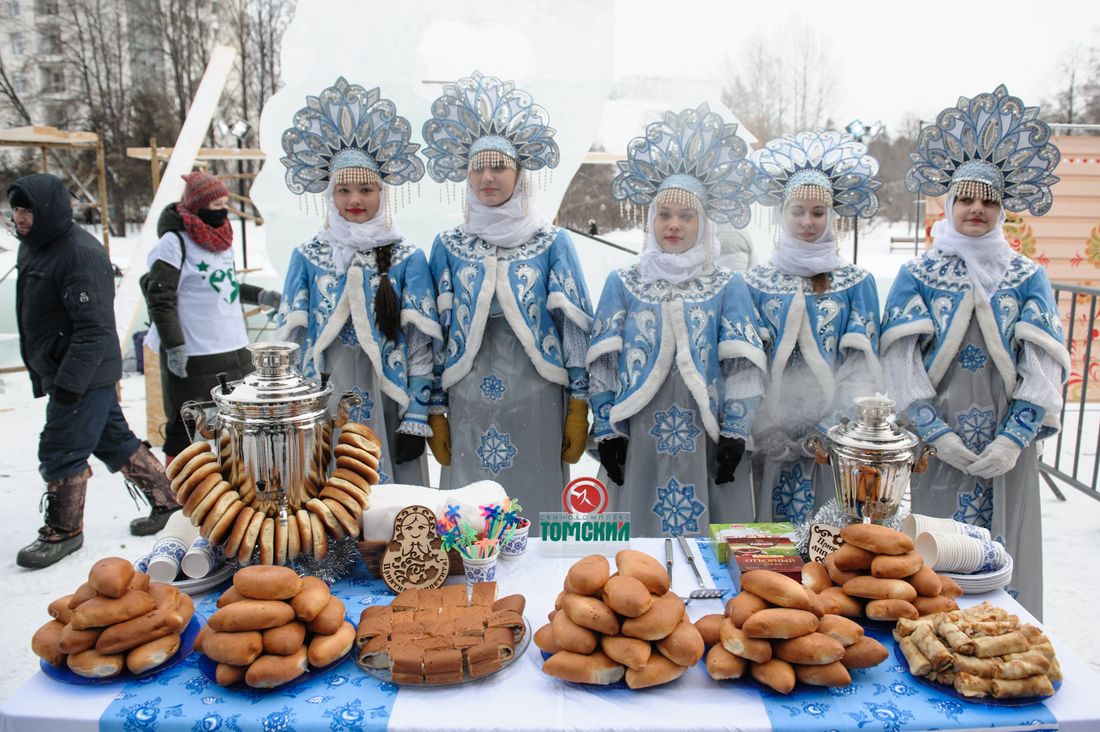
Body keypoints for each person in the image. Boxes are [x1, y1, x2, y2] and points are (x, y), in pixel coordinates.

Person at [881, 86, 1068, 617]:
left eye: (988, 200)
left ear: (1003, 207)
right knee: (940, 558)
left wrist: (1013, 439)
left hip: (1010, 451)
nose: (977, 209)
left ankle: (1012, 647)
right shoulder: (916, 274)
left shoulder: (1027, 275)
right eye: (966, 198)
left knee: (1009, 556)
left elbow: (1045, 364)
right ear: (948, 203)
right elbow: (899, 363)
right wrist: (934, 435)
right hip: (940, 449)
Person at [421, 72, 593, 528]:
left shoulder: (551, 241)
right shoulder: (447, 245)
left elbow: (574, 327)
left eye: (499, 166)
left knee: (536, 508)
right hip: (467, 399)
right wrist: (434, 407)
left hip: (538, 397)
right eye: (478, 167)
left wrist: (579, 402)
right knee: (469, 515)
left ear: (520, 175)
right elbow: (433, 334)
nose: (487, 176)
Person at [588, 104, 767, 536]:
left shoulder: (728, 284)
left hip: (706, 436)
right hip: (639, 433)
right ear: (651, 220)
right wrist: (606, 429)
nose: (674, 225)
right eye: (665, 214)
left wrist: (736, 430)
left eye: (687, 216)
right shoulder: (624, 281)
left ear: (704, 223)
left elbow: (741, 365)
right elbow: (603, 364)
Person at [10, 173, 178, 568]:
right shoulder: (36, 248)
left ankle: (65, 530)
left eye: (27, 211)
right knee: (114, 441)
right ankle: (169, 501)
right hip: (67, 370)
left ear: (47, 211)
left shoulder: (79, 255)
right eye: (16, 209)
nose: (19, 218)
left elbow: (94, 327)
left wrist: (69, 382)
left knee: (61, 447)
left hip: (81, 373)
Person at [277, 77, 438, 484]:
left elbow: (420, 343)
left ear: (383, 194)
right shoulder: (308, 256)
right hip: (325, 398)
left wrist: (417, 414)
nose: (354, 200)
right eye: (344, 190)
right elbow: (292, 342)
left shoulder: (407, 256)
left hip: (389, 397)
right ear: (329, 195)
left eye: (366, 189)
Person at [745, 130, 884, 523]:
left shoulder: (857, 283)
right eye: (797, 211)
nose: (807, 221)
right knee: (765, 552)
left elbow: (863, 369)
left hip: (833, 449)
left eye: (818, 212)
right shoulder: (755, 283)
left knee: (832, 548)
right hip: (765, 447)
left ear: (832, 217)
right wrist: (765, 428)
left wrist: (830, 428)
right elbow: (742, 364)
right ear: (781, 214)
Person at [141, 171, 281, 462]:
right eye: (216, 205)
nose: (222, 211)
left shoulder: (221, 238)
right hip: (196, 348)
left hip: (233, 346)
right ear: (197, 206)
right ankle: (180, 489)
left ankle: (231, 483)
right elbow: (160, 297)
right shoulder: (174, 243)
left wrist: (260, 296)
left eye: (224, 204)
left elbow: (223, 283)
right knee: (189, 421)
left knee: (234, 420)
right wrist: (174, 345)